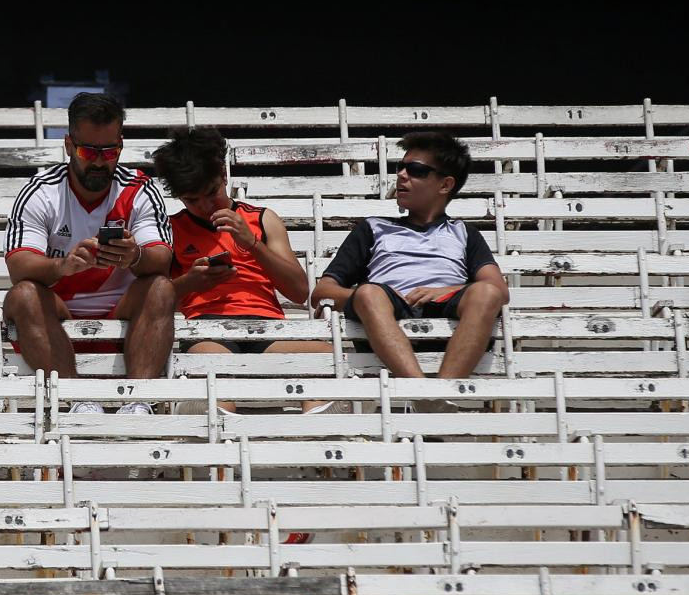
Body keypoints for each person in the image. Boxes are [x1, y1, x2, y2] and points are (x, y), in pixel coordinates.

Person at [310, 131, 509, 412]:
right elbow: (322, 292)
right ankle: (425, 396)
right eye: (400, 168)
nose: (402, 175)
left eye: (416, 170)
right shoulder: (373, 228)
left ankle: (438, 394)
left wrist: (445, 291)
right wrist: (373, 297)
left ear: (445, 184)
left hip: (447, 307)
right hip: (388, 310)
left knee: (486, 293)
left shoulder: (464, 232)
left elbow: (498, 290)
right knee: (368, 292)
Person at [3, 93, 175, 415]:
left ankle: (138, 404)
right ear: (68, 145)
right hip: (57, 314)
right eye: (88, 151)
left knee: (161, 287)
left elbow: (162, 258)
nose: (99, 161)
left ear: (121, 146)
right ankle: (76, 401)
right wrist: (63, 265)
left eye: (110, 152)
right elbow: (18, 265)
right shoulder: (42, 191)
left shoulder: (139, 189)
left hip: (123, 312)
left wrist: (134, 255)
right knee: (22, 295)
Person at [153, 127, 344, 415]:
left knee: (329, 362)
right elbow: (155, 298)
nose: (205, 206)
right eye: (192, 200)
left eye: (211, 193)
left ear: (223, 174)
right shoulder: (171, 228)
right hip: (207, 329)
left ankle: (322, 452)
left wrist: (252, 244)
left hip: (269, 328)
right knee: (210, 389)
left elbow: (299, 290)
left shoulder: (262, 219)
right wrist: (190, 282)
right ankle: (219, 457)